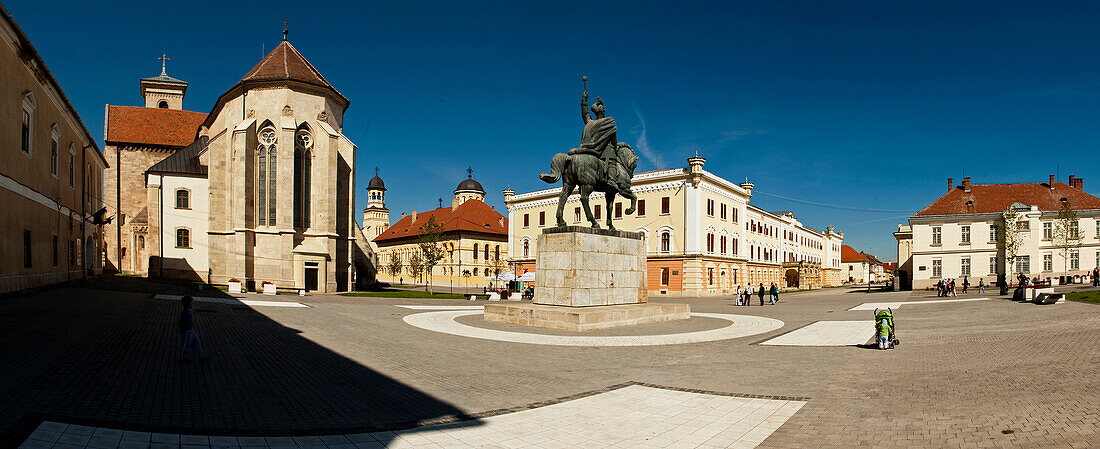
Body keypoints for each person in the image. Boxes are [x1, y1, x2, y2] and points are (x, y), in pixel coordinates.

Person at [178, 296, 208, 362]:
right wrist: (182, 330)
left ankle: (201, 356)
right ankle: (183, 357)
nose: (193, 304)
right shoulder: (185, 313)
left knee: (197, 343)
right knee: (187, 344)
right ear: (188, 304)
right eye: (192, 303)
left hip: (191, 330)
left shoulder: (187, 312)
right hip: (187, 331)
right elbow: (181, 322)